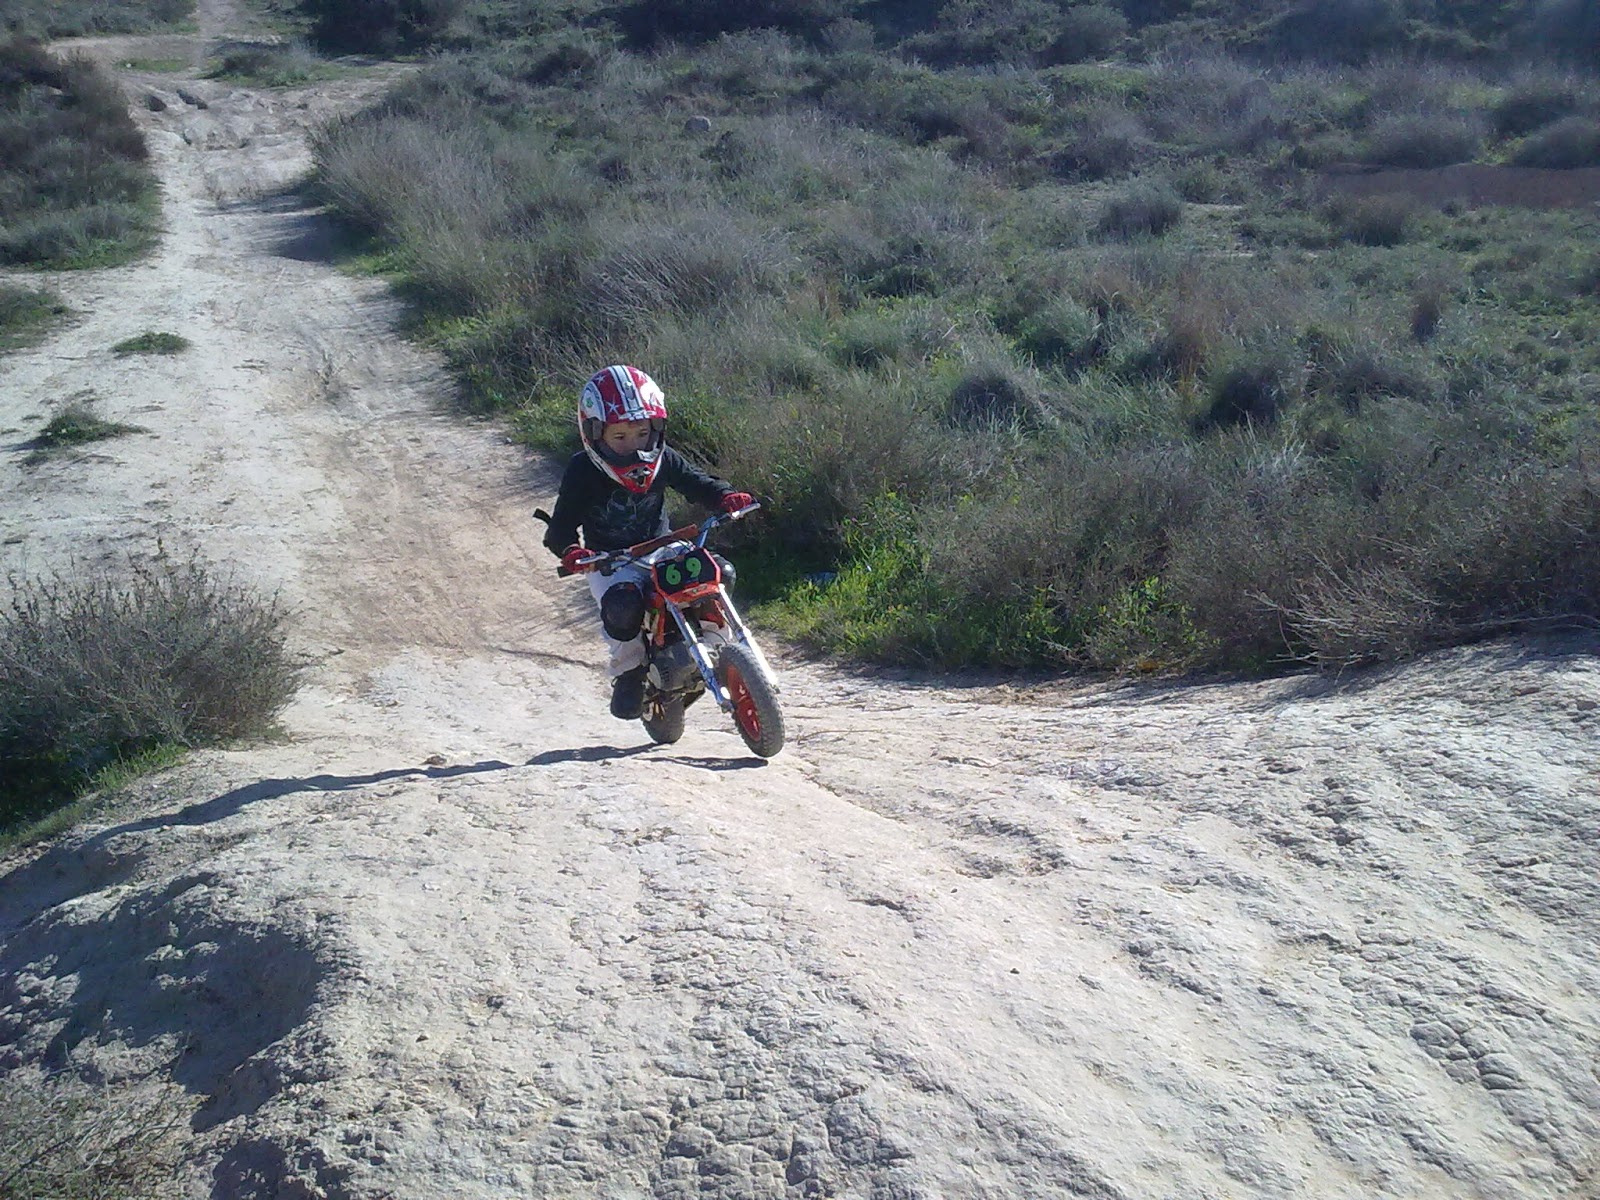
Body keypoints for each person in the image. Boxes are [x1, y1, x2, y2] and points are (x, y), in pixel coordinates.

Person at [543, 365, 752, 720]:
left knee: (719, 572)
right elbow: (559, 529)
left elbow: (697, 482)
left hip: (665, 547)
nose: (634, 447)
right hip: (612, 561)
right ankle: (630, 672)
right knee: (622, 606)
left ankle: (719, 646)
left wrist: (726, 496)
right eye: (620, 437)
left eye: (641, 434)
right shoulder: (583, 470)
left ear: (656, 428)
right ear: (594, 434)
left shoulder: (664, 456)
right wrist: (573, 553)